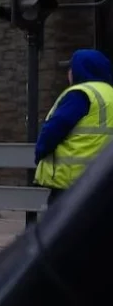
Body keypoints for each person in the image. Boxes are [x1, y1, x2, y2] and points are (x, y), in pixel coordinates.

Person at [34, 49, 113, 205]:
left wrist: (40, 152)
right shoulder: (109, 93)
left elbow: (55, 128)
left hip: (73, 180)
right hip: (102, 179)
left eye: (71, 69)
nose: (68, 74)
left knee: (59, 227)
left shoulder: (80, 94)